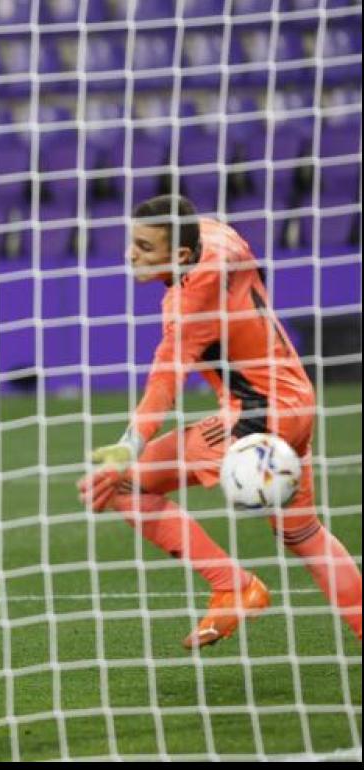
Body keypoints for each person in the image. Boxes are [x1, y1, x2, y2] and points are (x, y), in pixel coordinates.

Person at [78, 194, 362, 649]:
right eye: (132, 242)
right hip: (298, 399)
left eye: (146, 248)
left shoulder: (186, 309)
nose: (133, 254)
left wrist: (126, 447)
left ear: (182, 256)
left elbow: (163, 383)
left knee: (127, 484)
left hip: (256, 417)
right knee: (304, 534)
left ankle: (233, 585)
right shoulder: (217, 233)